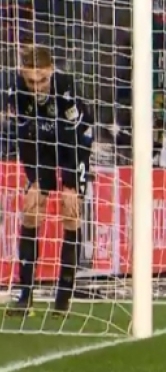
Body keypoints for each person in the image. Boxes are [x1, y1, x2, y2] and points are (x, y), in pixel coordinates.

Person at [4, 46, 94, 316]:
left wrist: (70, 183)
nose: (37, 87)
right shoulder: (17, 91)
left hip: (75, 144)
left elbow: (74, 137)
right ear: (23, 74)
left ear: (51, 72)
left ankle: (63, 298)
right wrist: (35, 179)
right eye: (31, 81)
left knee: (70, 209)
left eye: (42, 80)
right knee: (31, 206)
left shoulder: (65, 87)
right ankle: (25, 296)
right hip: (41, 144)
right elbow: (24, 138)